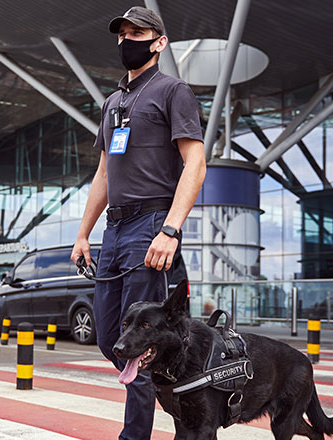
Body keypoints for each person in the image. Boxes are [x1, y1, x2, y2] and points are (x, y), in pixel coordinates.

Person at [70, 7, 206, 440]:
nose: (127, 39)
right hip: (114, 230)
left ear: (159, 41)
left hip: (151, 224)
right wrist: (82, 233)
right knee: (112, 338)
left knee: (140, 344)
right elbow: (105, 174)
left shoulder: (172, 91)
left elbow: (195, 163)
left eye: (137, 32)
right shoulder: (113, 103)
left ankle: (136, 435)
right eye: (123, 33)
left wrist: (171, 228)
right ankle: (180, 393)